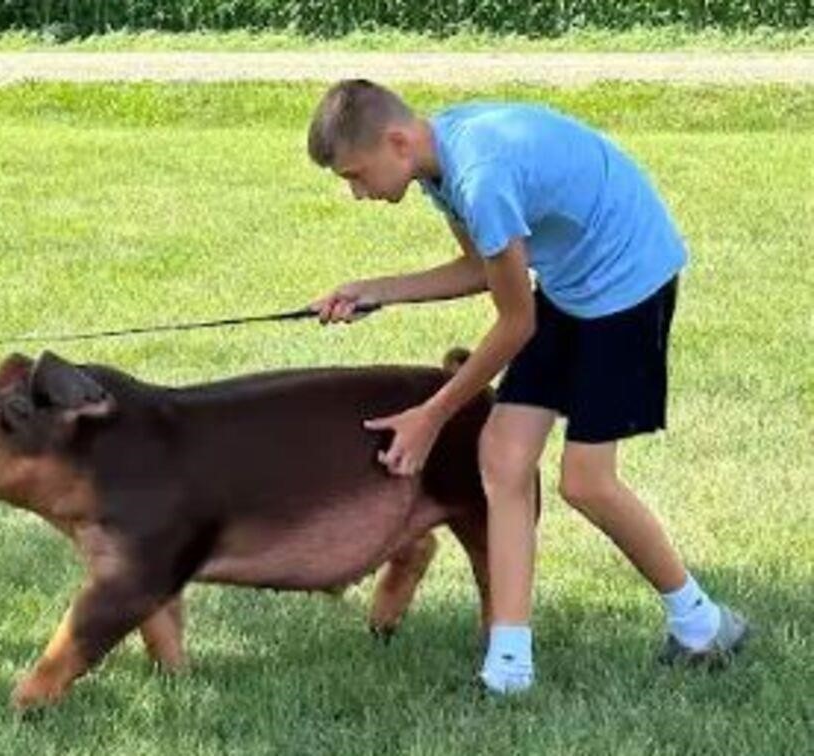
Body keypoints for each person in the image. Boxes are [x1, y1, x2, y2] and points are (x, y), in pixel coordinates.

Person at [306, 79, 747, 695]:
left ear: (397, 142)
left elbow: (516, 323)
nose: (357, 193)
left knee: (586, 483)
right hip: (571, 282)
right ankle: (509, 668)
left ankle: (702, 623)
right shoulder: (439, 168)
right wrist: (374, 290)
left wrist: (432, 413)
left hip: (627, 284)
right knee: (503, 457)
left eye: (356, 174)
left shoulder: (480, 177)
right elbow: (483, 271)